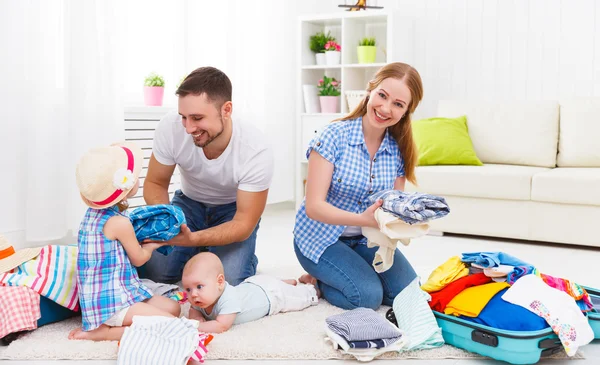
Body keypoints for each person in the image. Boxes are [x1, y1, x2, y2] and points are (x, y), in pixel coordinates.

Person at [294, 62, 423, 310]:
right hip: (320, 238)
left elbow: (392, 207)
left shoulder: (398, 151)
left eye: (398, 104)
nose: (385, 108)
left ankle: (350, 271)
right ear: (370, 91)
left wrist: (410, 215)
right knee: (367, 296)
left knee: (408, 295)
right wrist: (363, 219)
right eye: (382, 95)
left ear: (406, 111)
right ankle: (317, 282)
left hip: (367, 239)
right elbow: (314, 207)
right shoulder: (333, 136)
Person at [141, 66, 274, 286]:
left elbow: (243, 223)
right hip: (187, 205)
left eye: (197, 118)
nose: (188, 128)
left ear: (226, 110)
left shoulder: (255, 149)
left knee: (227, 281)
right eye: (183, 117)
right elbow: (155, 183)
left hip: (232, 212)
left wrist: (192, 238)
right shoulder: (170, 127)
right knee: (154, 273)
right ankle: (200, 250)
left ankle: (231, 254)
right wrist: (168, 221)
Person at [70, 142, 181, 341]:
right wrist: (152, 246)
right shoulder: (119, 223)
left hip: (117, 291)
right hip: (112, 304)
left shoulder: (92, 215)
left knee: (174, 308)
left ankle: (115, 324)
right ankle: (103, 332)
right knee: (171, 325)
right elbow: (138, 259)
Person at [182, 252, 318, 333]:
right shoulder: (199, 298)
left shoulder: (228, 298)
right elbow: (194, 309)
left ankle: (310, 285)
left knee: (300, 299)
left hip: (271, 295)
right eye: (188, 289)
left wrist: (197, 326)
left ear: (219, 282)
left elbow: (221, 325)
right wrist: (196, 317)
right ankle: (288, 282)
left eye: (199, 286)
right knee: (272, 282)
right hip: (254, 284)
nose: (193, 294)